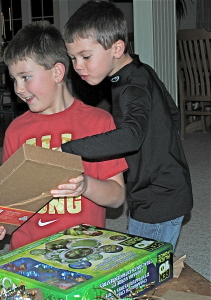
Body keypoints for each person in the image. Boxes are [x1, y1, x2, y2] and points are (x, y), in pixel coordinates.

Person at [0, 21, 128, 250]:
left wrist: (85, 185)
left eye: (25, 77)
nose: (18, 89)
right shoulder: (16, 131)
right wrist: (0, 221)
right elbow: (11, 196)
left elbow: (117, 196)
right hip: (28, 250)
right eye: (14, 80)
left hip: (82, 247)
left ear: (58, 72)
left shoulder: (99, 122)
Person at [60, 0, 193, 250]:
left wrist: (68, 149)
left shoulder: (132, 86)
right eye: (73, 58)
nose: (77, 66)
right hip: (162, 186)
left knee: (140, 270)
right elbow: (172, 111)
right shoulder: (139, 71)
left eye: (86, 56)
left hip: (158, 196)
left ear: (117, 48)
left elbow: (131, 136)